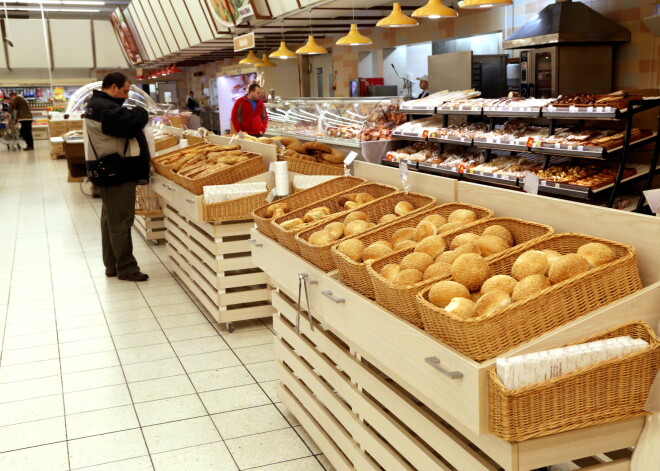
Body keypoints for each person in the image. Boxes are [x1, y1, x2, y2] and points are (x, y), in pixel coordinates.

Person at [84, 71, 151, 282]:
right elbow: (129, 124)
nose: (125, 96)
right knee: (121, 222)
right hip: (117, 172)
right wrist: (142, 111)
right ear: (113, 87)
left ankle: (112, 265)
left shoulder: (100, 105)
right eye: (124, 91)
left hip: (110, 171)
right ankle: (126, 268)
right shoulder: (104, 108)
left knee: (110, 221)